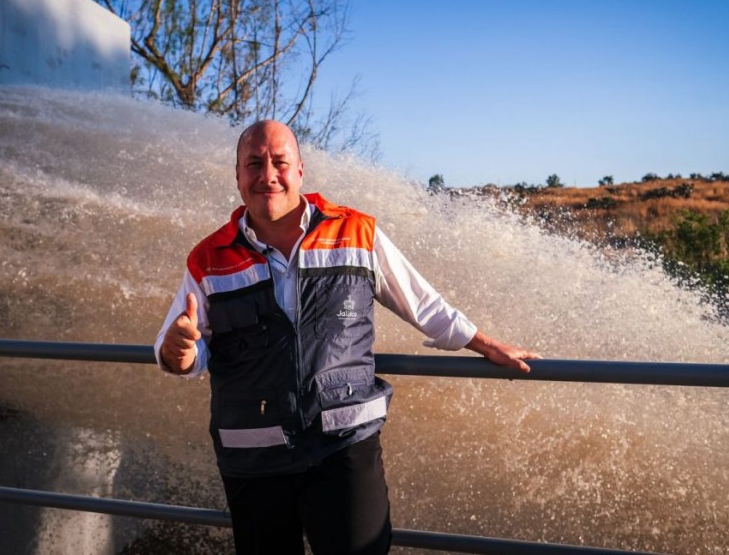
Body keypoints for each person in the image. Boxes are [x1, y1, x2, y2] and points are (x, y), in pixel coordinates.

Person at [155, 120, 540, 555]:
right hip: (253, 457)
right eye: (253, 164)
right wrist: (178, 351)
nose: (267, 176)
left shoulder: (356, 232)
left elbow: (424, 304)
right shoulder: (208, 258)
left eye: (279, 163)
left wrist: (485, 344)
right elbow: (180, 348)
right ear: (238, 175)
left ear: (300, 170)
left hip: (343, 447)